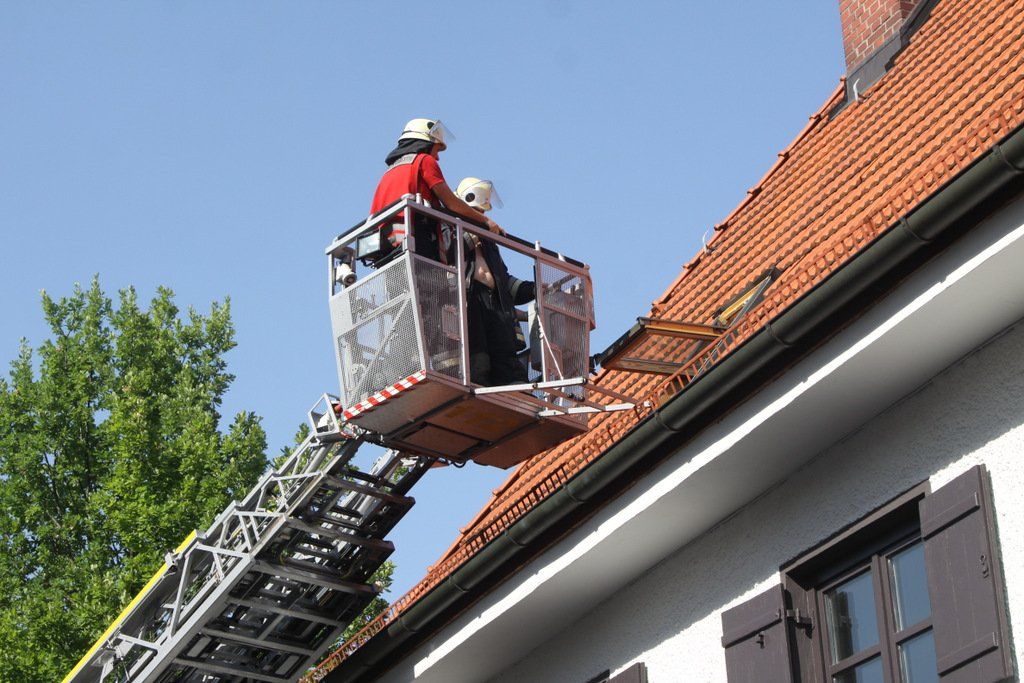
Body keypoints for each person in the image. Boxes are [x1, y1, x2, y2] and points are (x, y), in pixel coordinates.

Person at [370, 119, 503, 264]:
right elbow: (451, 203)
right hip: (417, 244)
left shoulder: (388, 172)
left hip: (386, 247)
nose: (437, 157)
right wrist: (485, 221)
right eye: (437, 150)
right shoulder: (424, 160)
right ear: (425, 143)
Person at [453, 177, 536, 387]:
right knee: (478, 364)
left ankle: (518, 395)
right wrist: (474, 231)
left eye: (482, 213)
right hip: (470, 302)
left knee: (510, 366)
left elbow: (504, 282)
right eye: (477, 212)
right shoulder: (450, 229)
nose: (482, 217)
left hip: (496, 306)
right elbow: (448, 253)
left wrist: (535, 289)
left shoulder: (488, 242)